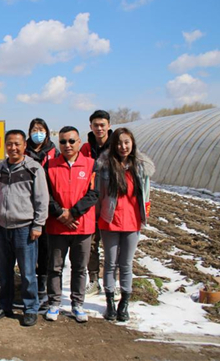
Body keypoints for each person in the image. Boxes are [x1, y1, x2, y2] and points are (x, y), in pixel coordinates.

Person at [0, 130, 49, 327]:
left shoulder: (34, 169)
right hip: (2, 228)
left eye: (17, 144)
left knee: (28, 271)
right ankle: (5, 305)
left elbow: (41, 199)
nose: (13, 148)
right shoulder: (0, 169)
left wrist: (38, 225)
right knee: (4, 271)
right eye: (9, 144)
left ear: (24, 146)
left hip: (24, 228)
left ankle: (30, 308)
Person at [97, 128, 154, 322]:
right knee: (111, 263)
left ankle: (124, 303)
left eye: (127, 142)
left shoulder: (139, 167)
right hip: (109, 219)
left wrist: (146, 213)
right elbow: (99, 194)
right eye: (119, 143)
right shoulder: (105, 166)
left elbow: (146, 192)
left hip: (132, 220)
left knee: (126, 264)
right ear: (113, 145)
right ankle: (110, 302)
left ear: (132, 143)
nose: (123, 147)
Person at [44, 126, 98, 323]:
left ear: (79, 142)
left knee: (79, 267)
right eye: (63, 142)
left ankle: (77, 303)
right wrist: (60, 214)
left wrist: (73, 213)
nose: (67, 145)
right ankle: (54, 302)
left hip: (82, 226)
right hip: (57, 226)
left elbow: (93, 194)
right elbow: (45, 194)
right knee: (55, 267)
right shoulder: (50, 166)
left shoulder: (91, 165)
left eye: (71, 141)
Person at [26, 118, 60, 307]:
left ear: (47, 132)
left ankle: (43, 284)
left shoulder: (54, 152)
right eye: (34, 129)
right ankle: (29, 282)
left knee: (46, 246)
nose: (38, 133)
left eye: (41, 129)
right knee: (30, 244)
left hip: (48, 205)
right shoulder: (24, 152)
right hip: (27, 205)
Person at [80, 110, 113, 297]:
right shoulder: (86, 148)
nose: (99, 128)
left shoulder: (116, 146)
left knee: (112, 245)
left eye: (102, 125)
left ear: (108, 125)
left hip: (110, 204)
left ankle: (111, 281)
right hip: (91, 204)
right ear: (91, 126)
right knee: (91, 245)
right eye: (95, 125)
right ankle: (93, 280)